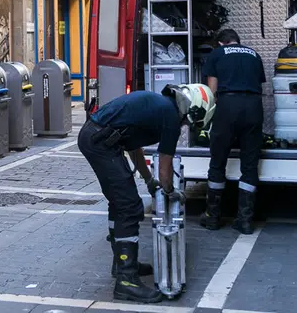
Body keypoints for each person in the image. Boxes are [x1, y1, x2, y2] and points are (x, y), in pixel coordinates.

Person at [78, 84, 215, 303]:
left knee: (119, 202)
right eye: (191, 122)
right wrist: (170, 191)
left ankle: (121, 263)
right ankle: (126, 281)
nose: (187, 125)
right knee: (130, 207)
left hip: (98, 138)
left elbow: (135, 148)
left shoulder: (159, 107)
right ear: (194, 110)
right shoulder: (170, 118)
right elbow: (165, 167)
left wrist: (149, 181)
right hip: (101, 143)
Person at [200, 29, 265, 235]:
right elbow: (259, 83)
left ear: (220, 43)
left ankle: (212, 217)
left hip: (228, 105)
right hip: (254, 107)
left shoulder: (216, 54)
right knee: (250, 164)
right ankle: (245, 220)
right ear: (237, 41)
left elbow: (212, 91)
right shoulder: (254, 54)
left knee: (218, 161)